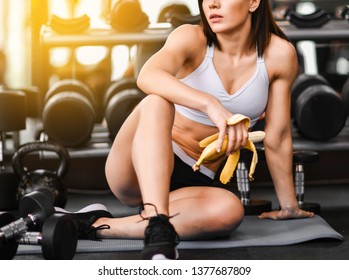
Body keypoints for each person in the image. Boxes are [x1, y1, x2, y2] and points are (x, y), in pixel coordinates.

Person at [58, 0, 314, 260]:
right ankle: (158, 225)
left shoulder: (279, 55)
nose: (212, 4)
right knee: (157, 100)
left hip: (195, 179)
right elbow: (147, 75)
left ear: (253, 2)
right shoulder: (190, 38)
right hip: (136, 169)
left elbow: (278, 136)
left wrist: (289, 205)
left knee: (230, 211)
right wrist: (210, 104)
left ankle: (93, 225)